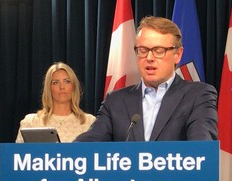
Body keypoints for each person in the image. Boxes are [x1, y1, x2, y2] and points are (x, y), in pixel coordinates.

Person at [75, 16, 218, 142]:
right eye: (143, 50)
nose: (149, 58)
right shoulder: (115, 101)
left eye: (158, 51)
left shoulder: (198, 95)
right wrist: (60, 153)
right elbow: (90, 142)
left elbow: (201, 147)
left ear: (178, 55)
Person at [16, 62, 96, 143]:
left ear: (74, 86)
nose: (62, 87)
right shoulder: (31, 122)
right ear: (49, 88)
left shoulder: (90, 122)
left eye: (67, 81)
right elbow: (17, 153)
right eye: (55, 82)